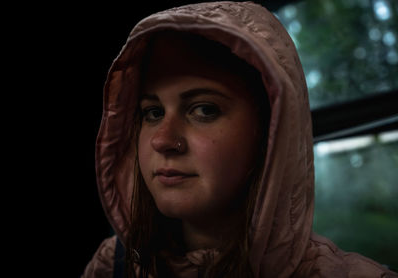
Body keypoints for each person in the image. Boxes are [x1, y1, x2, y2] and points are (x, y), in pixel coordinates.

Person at [82, 1, 397, 277]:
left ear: (271, 131)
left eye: (204, 109)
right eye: (152, 112)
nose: (162, 140)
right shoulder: (114, 265)